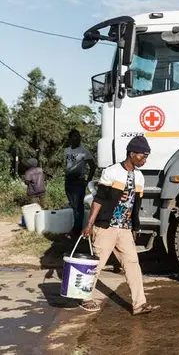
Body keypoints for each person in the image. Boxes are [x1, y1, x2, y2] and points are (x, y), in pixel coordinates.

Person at [80, 136, 156, 315]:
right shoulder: (111, 172)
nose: (144, 159)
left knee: (132, 264)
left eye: (146, 156)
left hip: (125, 229)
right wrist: (89, 224)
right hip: (106, 227)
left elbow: (135, 205)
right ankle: (85, 297)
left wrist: (135, 227)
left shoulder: (139, 177)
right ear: (131, 154)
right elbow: (98, 200)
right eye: (142, 156)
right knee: (96, 264)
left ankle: (139, 304)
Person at [64, 129, 96, 237]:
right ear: (70, 138)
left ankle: (76, 230)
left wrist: (88, 180)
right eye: (74, 136)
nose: (77, 138)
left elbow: (92, 166)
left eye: (78, 136)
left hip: (79, 181)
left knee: (78, 206)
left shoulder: (84, 151)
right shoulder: (66, 151)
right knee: (73, 205)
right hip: (69, 180)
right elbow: (67, 165)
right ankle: (76, 228)